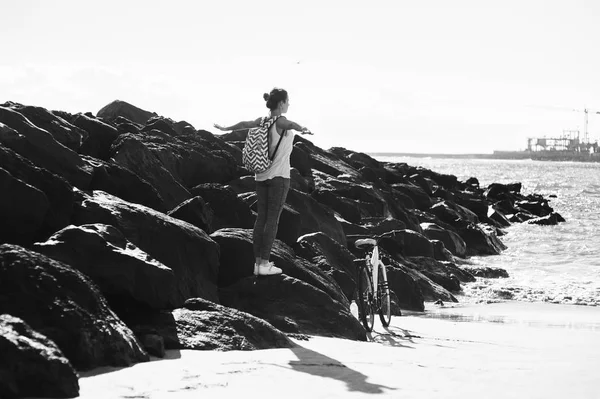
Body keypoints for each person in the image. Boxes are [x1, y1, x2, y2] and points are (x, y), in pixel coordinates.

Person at [214, 88, 313, 276]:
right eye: (288, 101)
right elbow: (291, 123)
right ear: (281, 103)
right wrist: (304, 129)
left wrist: (225, 128)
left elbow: (244, 123)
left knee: (261, 219)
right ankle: (265, 264)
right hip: (279, 178)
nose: (289, 104)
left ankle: (258, 263)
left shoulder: (262, 120)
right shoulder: (280, 121)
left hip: (261, 176)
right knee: (272, 220)